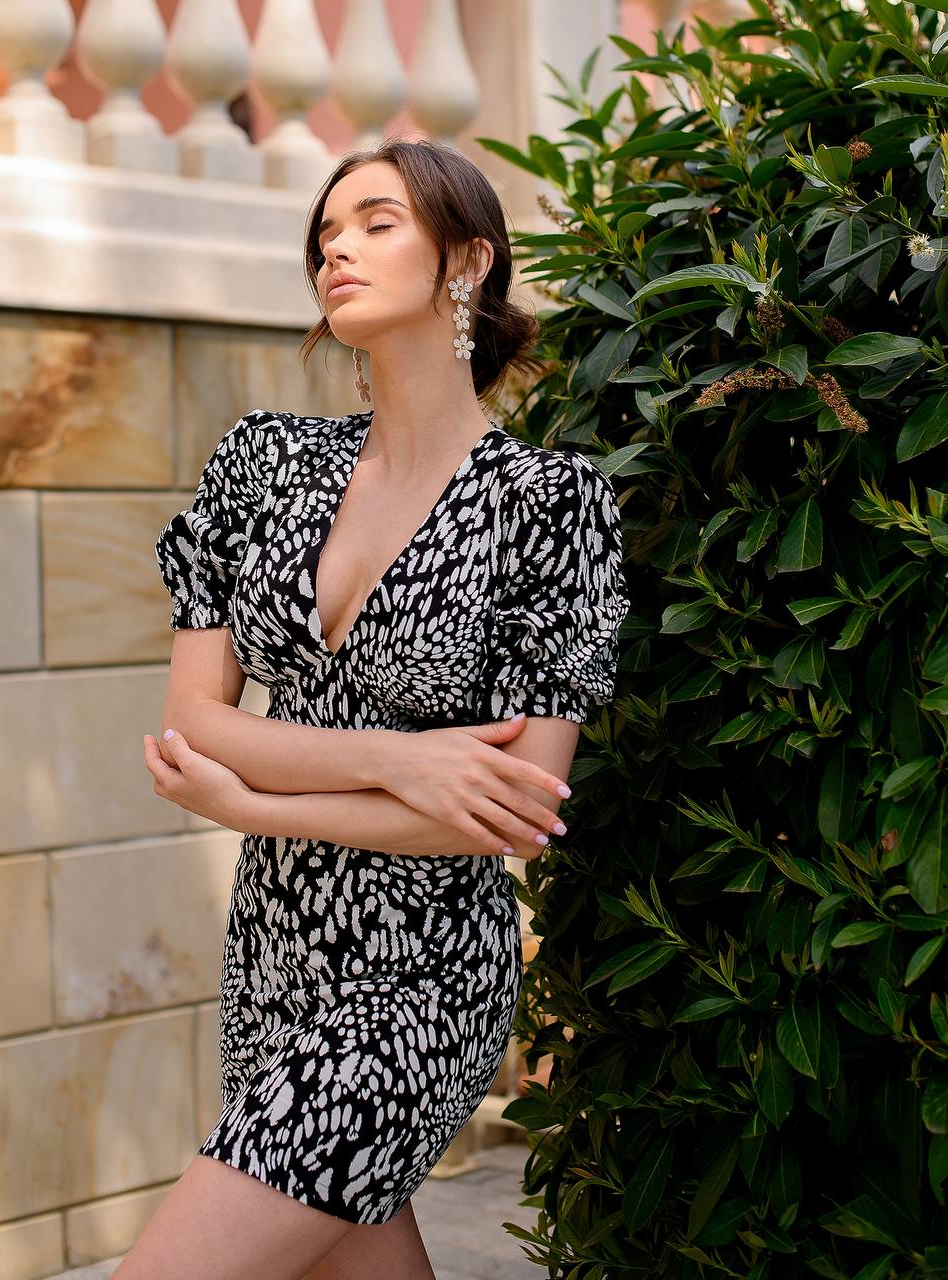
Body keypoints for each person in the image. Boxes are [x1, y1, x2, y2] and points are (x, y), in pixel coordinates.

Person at [126, 138, 628, 1279]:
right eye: (324, 233)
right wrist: (402, 764)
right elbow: (195, 723)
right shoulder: (263, 464)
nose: (334, 248)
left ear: (467, 260)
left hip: (418, 979)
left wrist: (259, 797)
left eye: (374, 222)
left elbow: (507, 810)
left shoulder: (548, 504)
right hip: (273, 959)